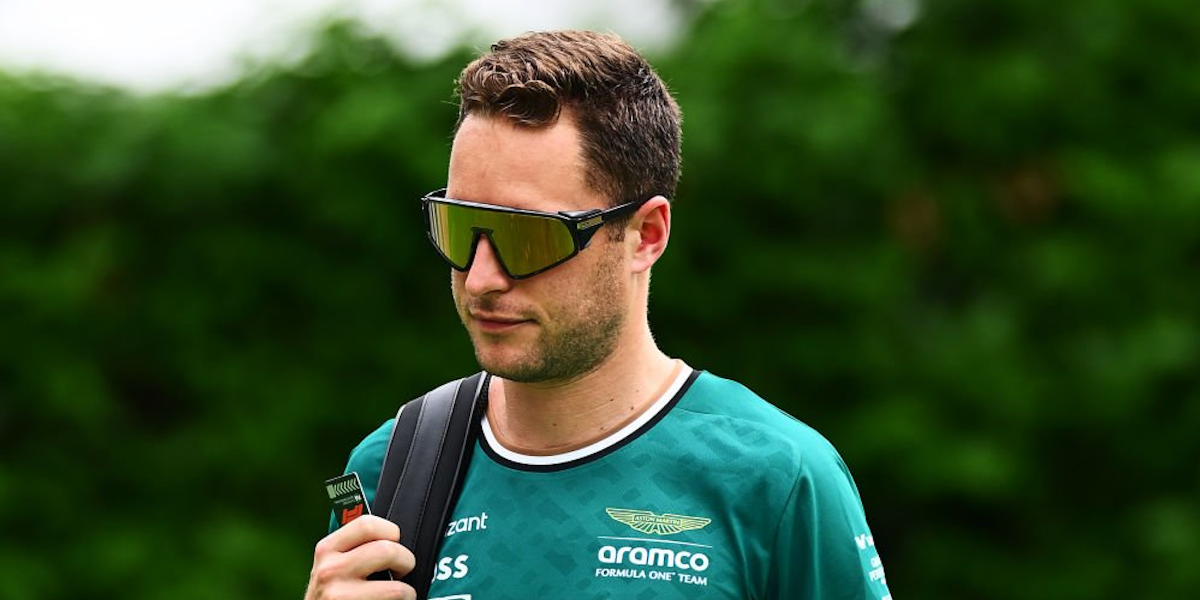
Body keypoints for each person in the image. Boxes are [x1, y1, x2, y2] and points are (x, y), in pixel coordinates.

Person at [305, 30, 892, 600]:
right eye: (458, 226)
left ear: (646, 234)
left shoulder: (775, 476)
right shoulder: (393, 466)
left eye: (528, 237)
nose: (481, 277)